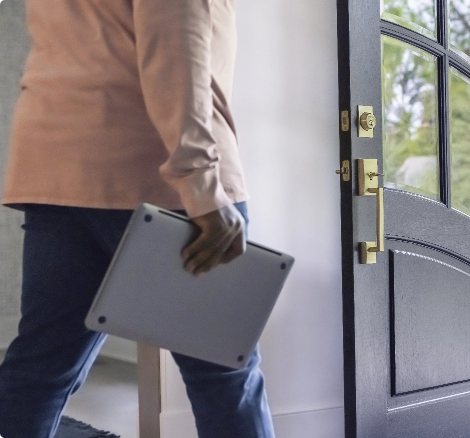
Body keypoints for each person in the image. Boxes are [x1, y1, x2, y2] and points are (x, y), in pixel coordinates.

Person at [0, 1, 275, 437]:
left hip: (56, 158)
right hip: (154, 169)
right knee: (223, 373)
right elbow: (175, 46)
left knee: (42, 366)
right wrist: (201, 182)